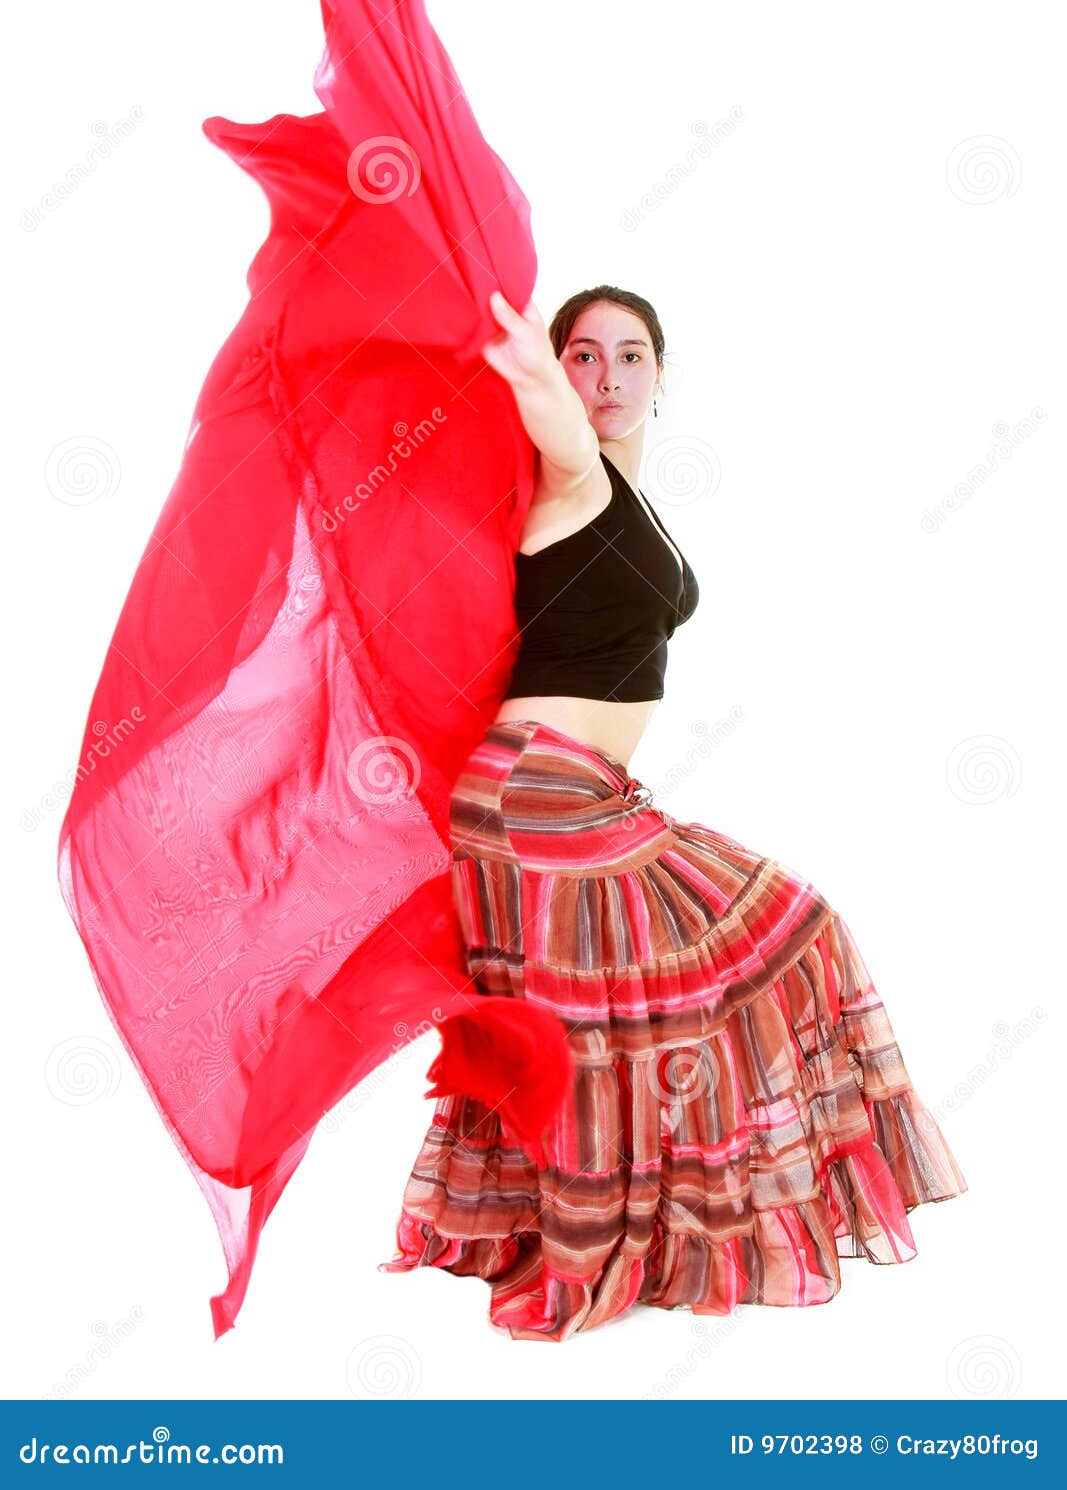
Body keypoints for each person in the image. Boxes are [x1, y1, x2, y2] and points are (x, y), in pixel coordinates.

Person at [380, 284, 969, 1342]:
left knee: (716, 966)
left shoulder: (620, 488)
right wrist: (509, 329)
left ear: (662, 373)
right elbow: (560, 426)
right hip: (534, 801)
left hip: (577, 795)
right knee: (629, 1013)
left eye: (630, 356)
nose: (604, 380)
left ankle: (607, 1228)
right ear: (553, 371)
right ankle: (600, 1240)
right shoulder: (564, 475)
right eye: (582, 356)